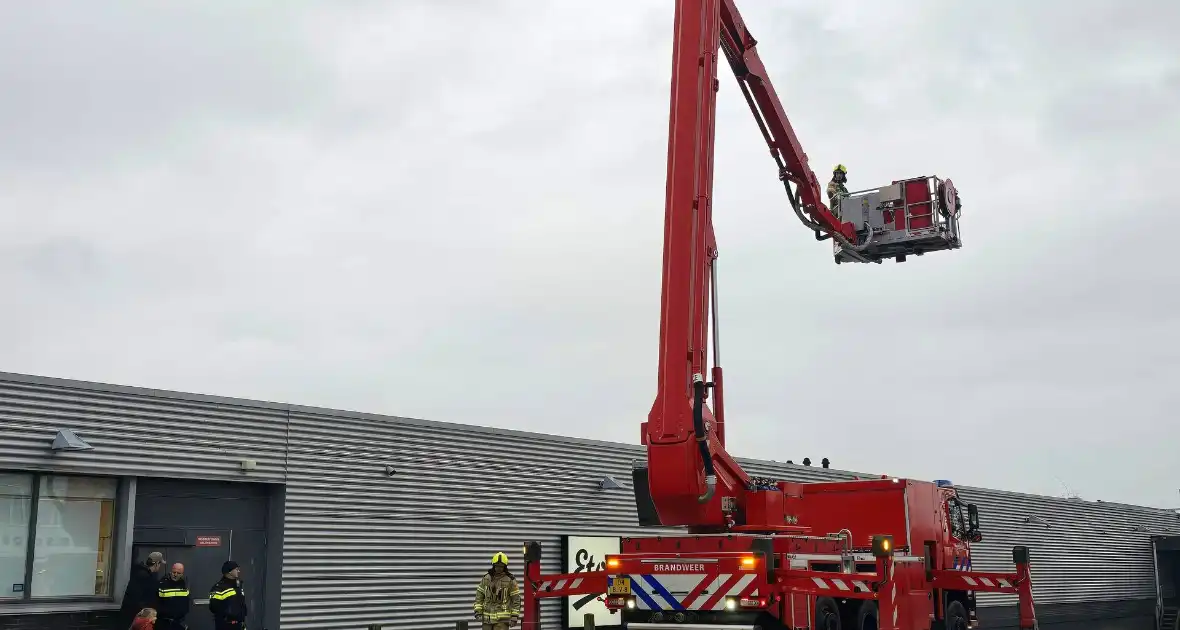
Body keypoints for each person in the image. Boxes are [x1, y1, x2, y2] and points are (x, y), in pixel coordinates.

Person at [473, 552, 522, 629]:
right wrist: (478, 611)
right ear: (493, 566)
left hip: (502, 621)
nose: (498, 568)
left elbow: (516, 600)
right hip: (487, 620)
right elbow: (479, 596)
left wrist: (514, 616)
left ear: (505, 567)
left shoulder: (510, 580)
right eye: (496, 566)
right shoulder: (486, 578)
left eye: (501, 566)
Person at [121, 552, 165, 628]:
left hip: (134, 616)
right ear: (157, 563)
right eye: (160, 564)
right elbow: (138, 598)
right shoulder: (144, 577)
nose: (160, 566)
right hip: (137, 617)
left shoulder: (141, 574)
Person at [209, 561, 248, 630]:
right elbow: (213, 607)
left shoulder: (238, 586)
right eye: (236, 569)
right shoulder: (219, 588)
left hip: (239, 625)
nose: (238, 571)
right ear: (229, 571)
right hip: (226, 625)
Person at [156, 563, 191, 630]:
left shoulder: (185, 584)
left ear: (182, 574)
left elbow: (186, 601)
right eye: (174, 572)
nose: (175, 574)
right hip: (164, 621)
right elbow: (157, 600)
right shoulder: (163, 583)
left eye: (178, 573)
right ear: (171, 571)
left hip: (179, 621)